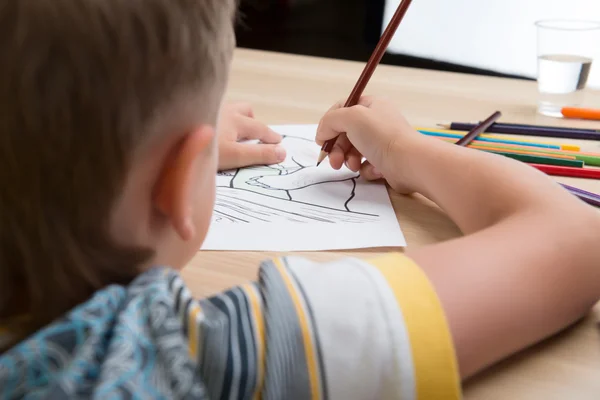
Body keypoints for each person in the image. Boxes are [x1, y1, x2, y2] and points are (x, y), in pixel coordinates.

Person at [1, 0, 599, 398]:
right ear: (180, 182)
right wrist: (408, 153)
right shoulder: (205, 359)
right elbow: (576, 241)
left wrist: (152, 147)